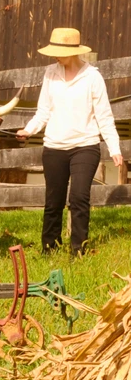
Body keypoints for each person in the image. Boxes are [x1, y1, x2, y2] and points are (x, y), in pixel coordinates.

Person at [16, 27, 123, 257]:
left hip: (85, 145)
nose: (55, 55)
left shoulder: (92, 77)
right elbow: (43, 111)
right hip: (54, 146)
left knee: (79, 196)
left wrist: (114, 147)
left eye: (59, 51)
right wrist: (28, 129)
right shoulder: (50, 73)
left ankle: (78, 249)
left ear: (74, 52)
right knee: (53, 200)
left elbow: (104, 115)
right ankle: (50, 248)